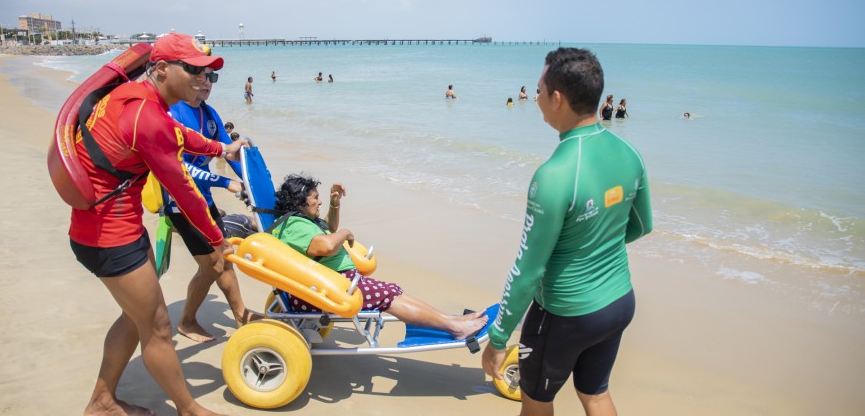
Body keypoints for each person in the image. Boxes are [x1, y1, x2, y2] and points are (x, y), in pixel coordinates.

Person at [68, 33, 245, 416]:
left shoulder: (132, 96)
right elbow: (182, 188)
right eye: (195, 70)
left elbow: (177, 135)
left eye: (208, 72)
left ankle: (101, 402)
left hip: (116, 228)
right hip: (109, 238)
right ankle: (189, 409)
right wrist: (218, 240)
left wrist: (219, 148)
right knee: (159, 328)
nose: (204, 79)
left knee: (137, 319)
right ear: (162, 69)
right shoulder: (146, 117)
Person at [481, 48, 652, 416]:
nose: (537, 97)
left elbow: (528, 271)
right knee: (594, 394)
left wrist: (497, 338)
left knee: (537, 401)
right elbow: (640, 226)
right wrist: (594, 249)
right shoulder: (630, 153)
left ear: (557, 99)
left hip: (565, 314)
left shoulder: (554, 175)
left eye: (540, 90)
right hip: (619, 301)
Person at [271, 174, 488, 339]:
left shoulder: (300, 222)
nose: (318, 202)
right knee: (389, 297)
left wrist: (334, 202)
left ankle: (451, 319)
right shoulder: (294, 226)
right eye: (315, 198)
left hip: (337, 281)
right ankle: (455, 328)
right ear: (300, 203)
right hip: (330, 287)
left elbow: (327, 229)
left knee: (393, 290)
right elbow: (327, 246)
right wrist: (345, 233)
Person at [166, 60, 259, 343]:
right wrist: (226, 183)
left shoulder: (209, 114)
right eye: (202, 76)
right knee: (213, 265)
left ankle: (241, 315)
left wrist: (254, 184)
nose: (207, 82)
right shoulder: (172, 113)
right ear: (187, 78)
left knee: (224, 257)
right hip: (179, 202)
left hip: (203, 201)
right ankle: (187, 321)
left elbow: (227, 153)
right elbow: (177, 166)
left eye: (212, 77)